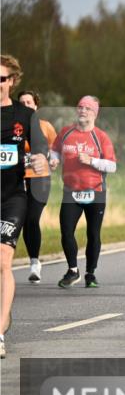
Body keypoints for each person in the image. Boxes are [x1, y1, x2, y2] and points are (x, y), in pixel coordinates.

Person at [1, 55, 49, 358]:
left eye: (2, 79)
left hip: (12, 197)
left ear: (12, 81)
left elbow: (41, 146)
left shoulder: (24, 114)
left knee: (3, 261)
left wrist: (42, 158)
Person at [51, 96, 117, 288]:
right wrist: (54, 159)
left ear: (94, 113)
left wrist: (92, 161)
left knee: (93, 234)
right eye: (80, 107)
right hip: (71, 191)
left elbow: (112, 166)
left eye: (87, 108)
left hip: (95, 191)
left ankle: (90, 273)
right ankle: (73, 270)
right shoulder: (66, 132)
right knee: (66, 231)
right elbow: (55, 150)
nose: (82, 111)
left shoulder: (100, 136)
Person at [16, 90, 56, 283]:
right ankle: (34, 260)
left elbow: (56, 150)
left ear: (36, 106)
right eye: (22, 102)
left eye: (29, 102)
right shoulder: (12, 127)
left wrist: (53, 159)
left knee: (32, 218)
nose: (25, 105)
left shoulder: (45, 126)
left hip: (40, 178)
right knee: (22, 221)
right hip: (17, 178)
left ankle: (34, 263)